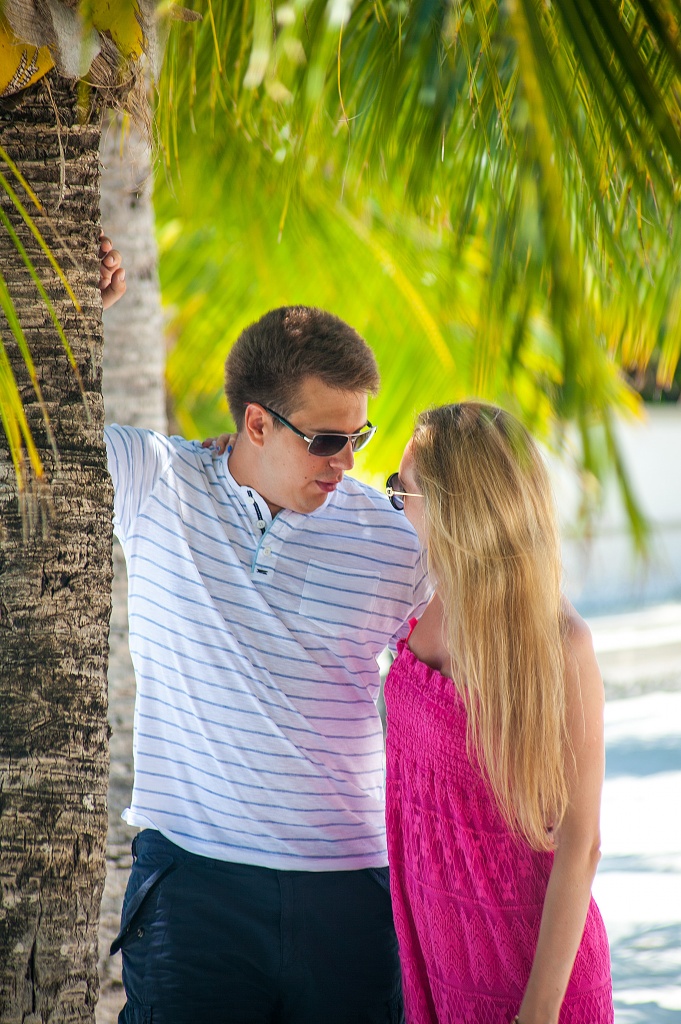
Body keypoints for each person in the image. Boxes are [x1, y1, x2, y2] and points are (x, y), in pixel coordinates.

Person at [102, 301, 431, 1024]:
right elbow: (32, 437)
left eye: (358, 436)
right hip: (193, 890)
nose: (348, 462)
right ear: (257, 423)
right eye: (327, 440)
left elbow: (486, 644)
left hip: (351, 895)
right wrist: (72, 306)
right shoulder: (156, 480)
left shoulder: (393, 539)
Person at [382, 401, 614, 1024]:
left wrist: (537, 1014)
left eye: (402, 488)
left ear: (452, 506)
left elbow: (582, 844)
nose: (395, 503)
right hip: (440, 956)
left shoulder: (559, 643)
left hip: (532, 973)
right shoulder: (428, 599)